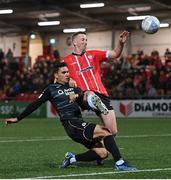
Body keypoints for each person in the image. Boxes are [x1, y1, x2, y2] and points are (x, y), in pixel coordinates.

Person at [5, 62, 136, 171]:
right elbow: (35, 104)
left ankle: (71, 159)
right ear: (56, 75)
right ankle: (120, 163)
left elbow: (80, 95)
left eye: (68, 72)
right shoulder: (50, 89)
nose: (67, 74)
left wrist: (78, 94)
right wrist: (18, 118)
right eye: (63, 72)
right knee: (106, 132)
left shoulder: (72, 87)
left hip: (78, 123)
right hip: (71, 123)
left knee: (103, 153)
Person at [62, 31, 129, 135]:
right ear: (74, 42)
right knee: (89, 93)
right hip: (81, 95)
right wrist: (68, 80)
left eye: (86, 40)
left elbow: (115, 54)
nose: (85, 42)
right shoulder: (65, 61)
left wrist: (121, 43)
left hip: (101, 94)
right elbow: (58, 78)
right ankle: (91, 99)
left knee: (112, 131)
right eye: (83, 39)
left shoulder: (94, 54)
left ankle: (96, 138)